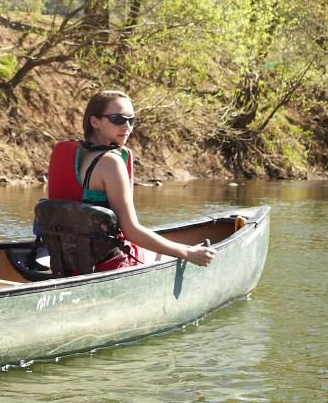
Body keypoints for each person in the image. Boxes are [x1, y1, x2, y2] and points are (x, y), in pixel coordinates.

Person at [40, 90, 215, 273]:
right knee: (168, 255)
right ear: (94, 122)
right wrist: (187, 252)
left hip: (66, 262)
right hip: (107, 265)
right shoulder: (111, 163)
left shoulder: (76, 157)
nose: (127, 126)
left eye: (131, 120)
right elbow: (132, 231)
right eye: (118, 119)